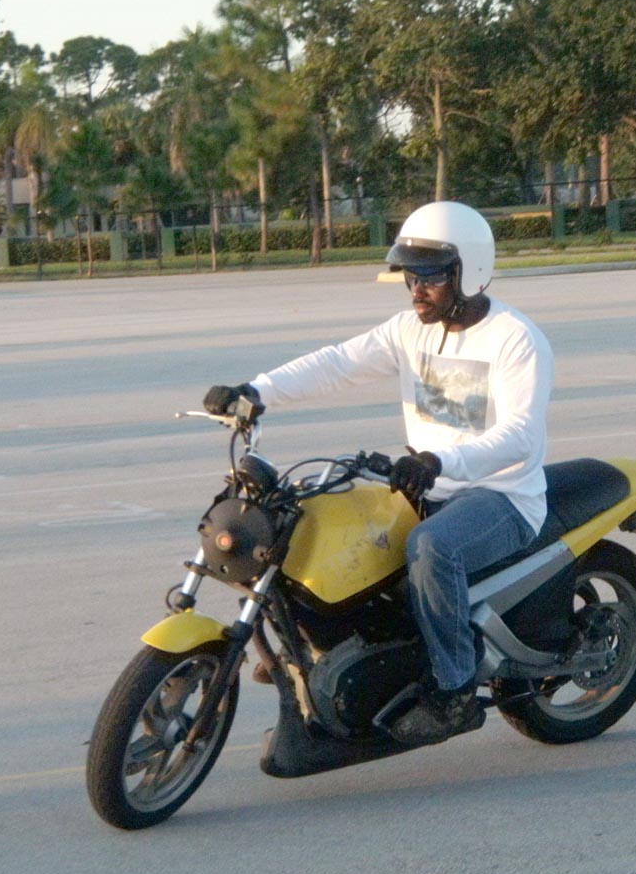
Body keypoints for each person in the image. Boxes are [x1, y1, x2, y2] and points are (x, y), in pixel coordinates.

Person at [203, 201, 553, 746]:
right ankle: (319, 650)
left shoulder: (515, 339)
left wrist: (439, 462)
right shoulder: (409, 331)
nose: (416, 290)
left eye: (430, 277)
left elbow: (520, 436)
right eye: (410, 277)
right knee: (308, 523)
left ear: (470, 270)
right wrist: (257, 391)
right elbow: (338, 363)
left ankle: (454, 691)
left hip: (500, 496)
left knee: (433, 548)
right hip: (422, 486)